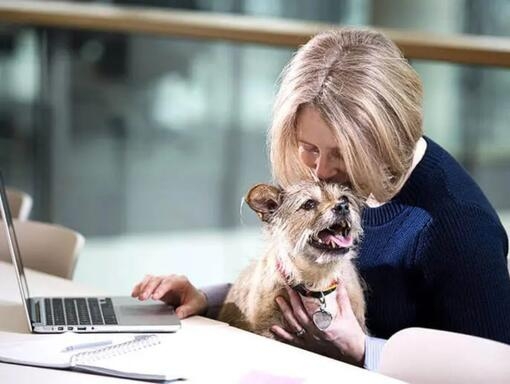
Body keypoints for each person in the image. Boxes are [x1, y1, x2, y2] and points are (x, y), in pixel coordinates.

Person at [131, 28, 510, 370]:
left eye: (341, 152)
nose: (321, 171)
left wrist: (365, 351)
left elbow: (495, 370)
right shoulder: (347, 188)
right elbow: (307, 284)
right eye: (308, 147)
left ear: (386, 136)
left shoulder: (459, 228)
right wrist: (207, 299)